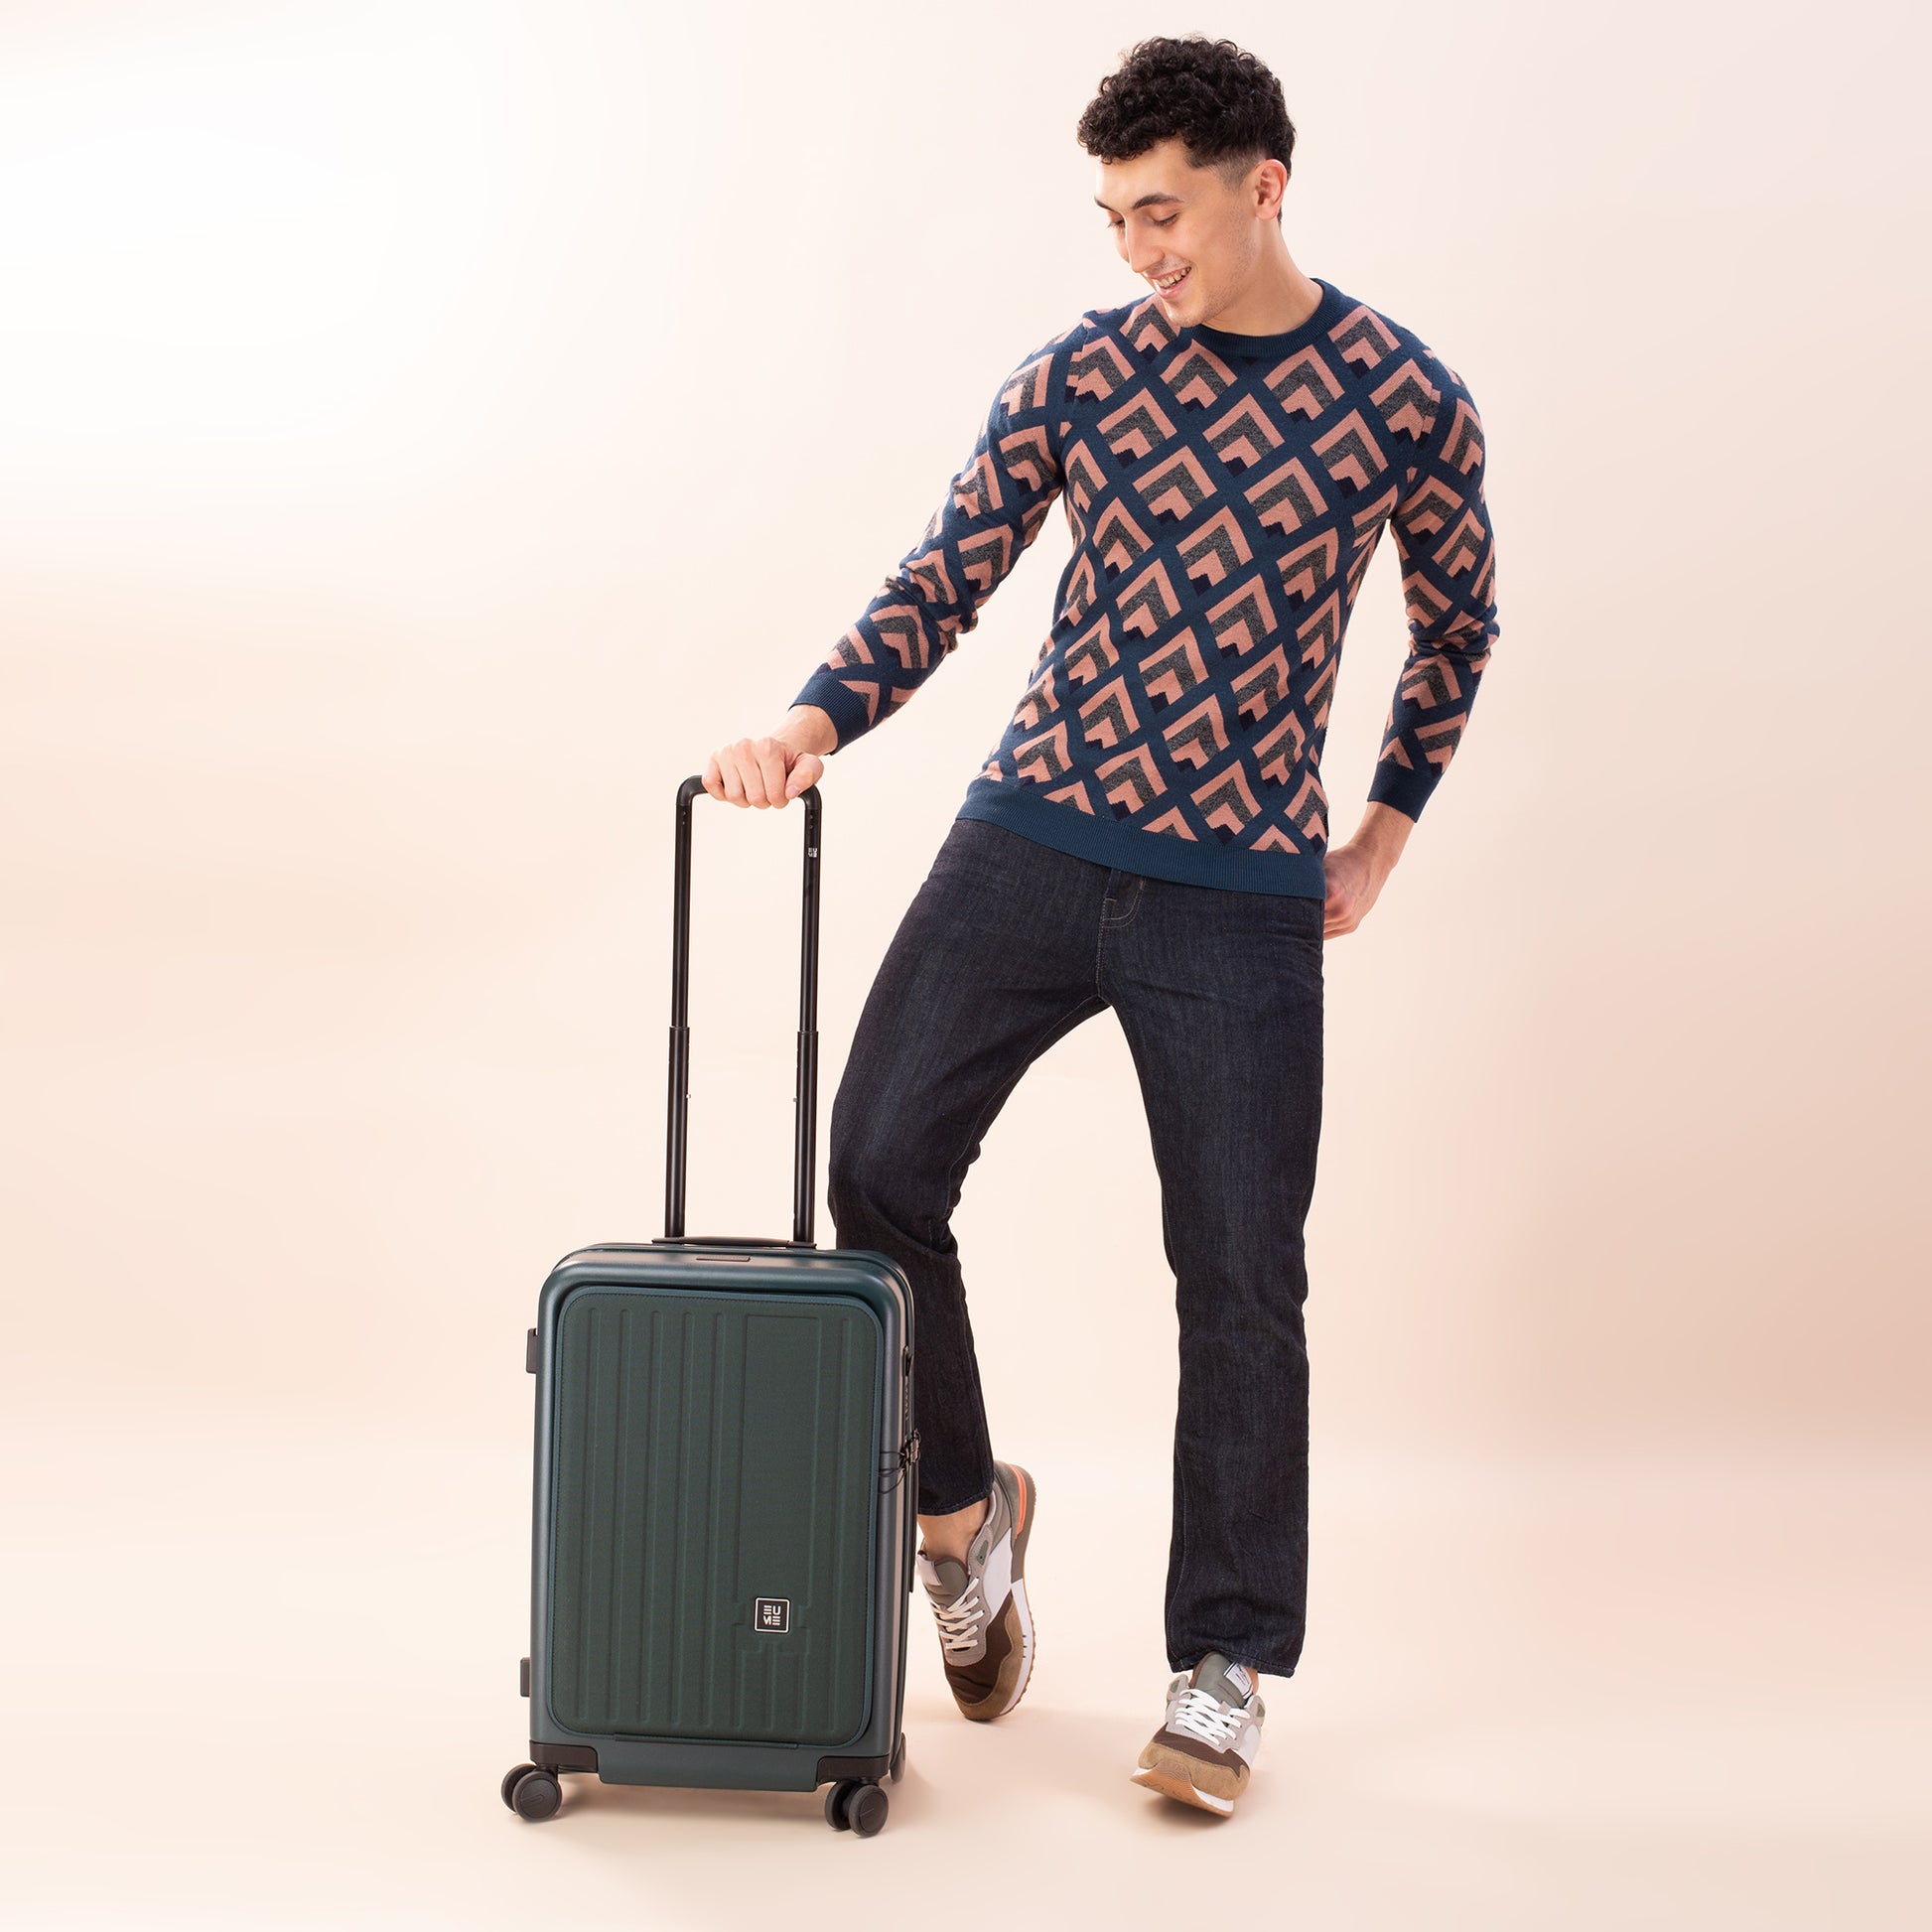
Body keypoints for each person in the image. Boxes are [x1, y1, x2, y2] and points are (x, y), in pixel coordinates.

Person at [703, 33, 1498, 1819]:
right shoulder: (1079, 374)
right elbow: (945, 574)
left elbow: (1456, 627)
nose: (1139, 251)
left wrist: (1379, 835)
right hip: (1030, 841)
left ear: (1260, 188)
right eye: (1115, 220)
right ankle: (963, 1518)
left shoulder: (1403, 395)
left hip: (1238, 892)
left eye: (1163, 214)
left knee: (1239, 1273)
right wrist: (808, 723)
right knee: (877, 1165)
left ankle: (1222, 1664)